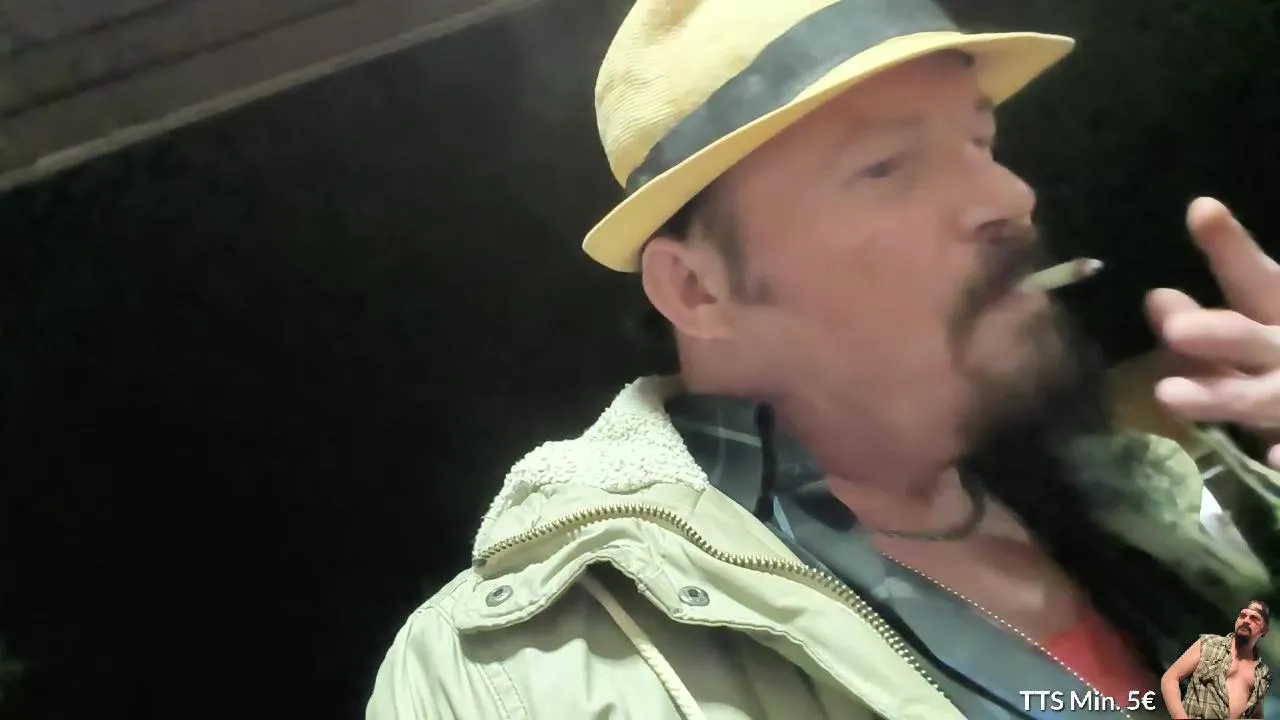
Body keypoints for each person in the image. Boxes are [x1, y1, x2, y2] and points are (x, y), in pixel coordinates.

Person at [368, 1, 1280, 718]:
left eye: (981, 141)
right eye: (886, 167)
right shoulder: (514, 675)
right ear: (696, 288)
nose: (1009, 196)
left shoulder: (1148, 504)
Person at [1161, 601, 1273, 719]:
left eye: (1254, 618)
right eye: (1243, 615)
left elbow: (1256, 714)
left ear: (1264, 629)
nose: (1246, 620)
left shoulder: (1261, 674)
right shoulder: (1209, 644)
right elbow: (1170, 678)